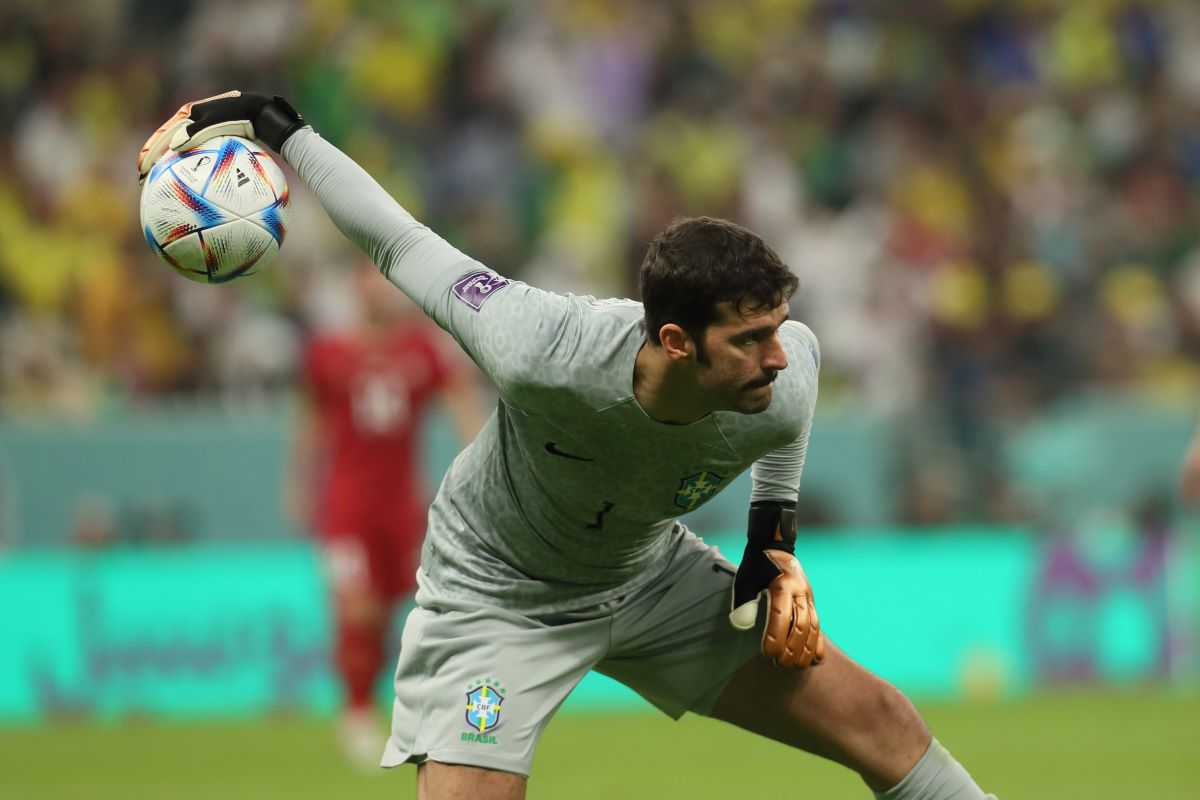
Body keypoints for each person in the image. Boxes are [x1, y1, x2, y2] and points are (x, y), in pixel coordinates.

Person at [139, 92, 997, 800]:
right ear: (673, 341)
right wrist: (281, 128)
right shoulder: (538, 345)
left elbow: (787, 421)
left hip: (647, 577)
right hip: (497, 596)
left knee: (885, 726)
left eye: (778, 330)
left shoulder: (782, 374)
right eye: (750, 338)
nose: (778, 354)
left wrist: (772, 538)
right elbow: (399, 242)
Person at [285, 259, 487, 767]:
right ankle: (355, 711)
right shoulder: (328, 353)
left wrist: (480, 461)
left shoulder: (421, 348)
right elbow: (310, 421)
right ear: (357, 291)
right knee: (357, 609)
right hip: (348, 507)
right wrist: (299, 483)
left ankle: (414, 706)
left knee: (413, 608)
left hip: (403, 504)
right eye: (371, 282)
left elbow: (461, 402)